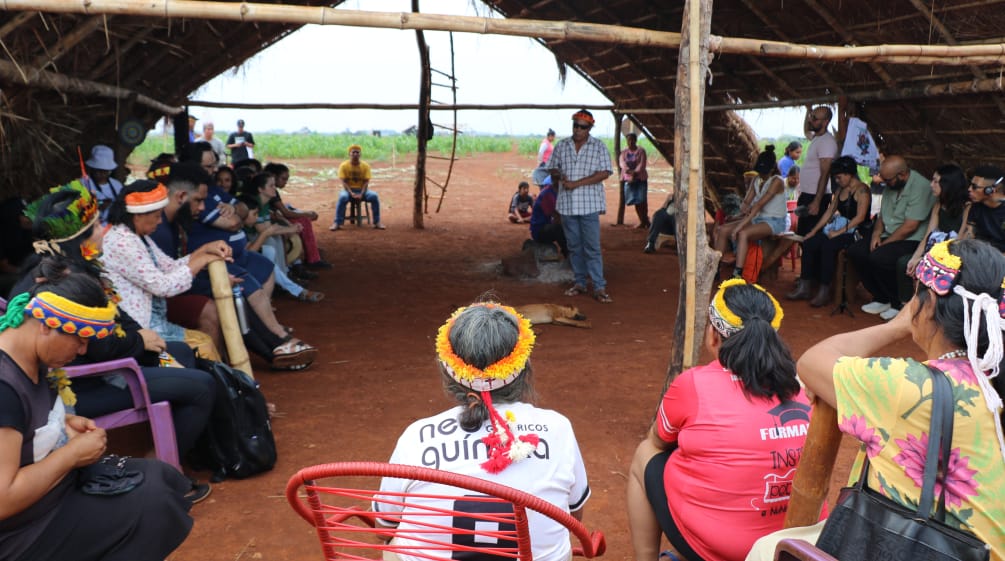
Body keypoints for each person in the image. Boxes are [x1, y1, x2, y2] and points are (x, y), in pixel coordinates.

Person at [754, 239, 1005, 559]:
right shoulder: (991, 380)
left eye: (916, 294)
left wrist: (897, 326)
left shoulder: (909, 388)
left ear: (928, 306)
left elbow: (811, 363)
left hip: (910, 545)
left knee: (766, 549)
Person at [15, 181, 216, 502]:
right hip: (85, 385)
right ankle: (164, 471)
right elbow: (96, 348)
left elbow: (114, 321)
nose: (102, 231)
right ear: (79, 240)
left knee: (179, 351)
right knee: (202, 386)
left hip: (97, 369)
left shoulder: (60, 268)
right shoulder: (69, 282)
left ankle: (176, 447)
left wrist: (142, 337)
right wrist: (139, 341)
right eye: (95, 226)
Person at [0, 266, 193, 561]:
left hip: (52, 495)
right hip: (24, 532)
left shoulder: (32, 355)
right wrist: (71, 455)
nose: (82, 350)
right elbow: (3, 498)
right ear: (45, 325)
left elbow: (22, 425)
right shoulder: (4, 387)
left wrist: (62, 423)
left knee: (164, 478)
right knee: (155, 508)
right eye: (80, 339)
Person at [379, 301, 590, 561]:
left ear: (448, 373)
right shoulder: (559, 429)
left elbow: (384, 526)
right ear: (525, 369)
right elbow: (573, 515)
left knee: (395, 543)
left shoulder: (415, 436)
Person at [626, 279, 812, 561]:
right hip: (793, 546)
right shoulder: (801, 385)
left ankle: (647, 558)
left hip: (727, 549)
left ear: (713, 336)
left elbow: (658, 440)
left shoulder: (693, 384)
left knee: (645, 453)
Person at [100, 180, 230, 361]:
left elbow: (168, 267)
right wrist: (202, 259)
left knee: (204, 342)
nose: (160, 221)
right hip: (141, 330)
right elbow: (162, 286)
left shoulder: (138, 237)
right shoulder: (122, 241)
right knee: (204, 346)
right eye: (157, 215)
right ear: (138, 215)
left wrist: (204, 250)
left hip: (156, 322)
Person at [847, 155, 935, 321]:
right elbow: (882, 216)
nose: (883, 183)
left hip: (913, 238)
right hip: (889, 233)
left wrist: (884, 244)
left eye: (887, 180)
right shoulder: (892, 184)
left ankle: (896, 302)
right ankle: (881, 297)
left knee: (879, 257)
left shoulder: (921, 187)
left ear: (902, 175)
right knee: (856, 251)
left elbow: (910, 226)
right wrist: (875, 235)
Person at [546, 109, 614, 303]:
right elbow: (552, 167)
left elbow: (604, 173)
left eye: (582, 127)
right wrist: (559, 175)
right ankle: (580, 283)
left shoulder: (598, 147)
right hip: (567, 206)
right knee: (574, 246)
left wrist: (576, 183)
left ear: (590, 128)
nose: (578, 129)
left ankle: (599, 287)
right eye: (575, 125)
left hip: (589, 205)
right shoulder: (562, 146)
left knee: (592, 247)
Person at [787, 156, 872, 307]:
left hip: (856, 233)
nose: (837, 181)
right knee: (810, 243)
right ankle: (805, 286)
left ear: (849, 173)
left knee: (828, 246)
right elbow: (828, 213)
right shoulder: (840, 191)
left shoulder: (862, 190)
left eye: (839, 177)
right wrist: (813, 231)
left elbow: (860, 218)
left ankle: (824, 291)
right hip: (840, 229)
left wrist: (838, 233)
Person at [714, 146, 787, 280]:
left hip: (774, 221)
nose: (762, 174)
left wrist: (739, 226)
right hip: (757, 218)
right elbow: (747, 203)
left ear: (772, 169)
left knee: (743, 233)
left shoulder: (777, 181)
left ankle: (738, 273)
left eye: (764, 172)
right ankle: (715, 269)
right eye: (760, 171)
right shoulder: (756, 180)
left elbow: (758, 205)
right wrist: (738, 215)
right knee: (723, 229)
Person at [905, 164, 970, 276]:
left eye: (936, 181)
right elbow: (928, 235)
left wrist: (925, 260)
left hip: (953, 254)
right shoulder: (939, 204)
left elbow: (959, 242)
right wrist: (915, 257)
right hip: (937, 248)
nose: (931, 185)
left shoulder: (967, 207)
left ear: (947, 184)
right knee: (905, 264)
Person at [263, 162, 331, 269]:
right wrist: (306, 214)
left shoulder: (271, 189)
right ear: (274, 177)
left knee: (302, 219)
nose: (286, 182)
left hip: (275, 217)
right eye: (283, 179)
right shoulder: (272, 191)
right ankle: (312, 259)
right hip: (273, 220)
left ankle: (312, 256)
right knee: (304, 221)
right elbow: (286, 213)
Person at [795, 106, 837, 237]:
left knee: (811, 236)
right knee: (802, 234)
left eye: (814, 118)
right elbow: (806, 130)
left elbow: (825, 173)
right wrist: (809, 110)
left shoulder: (827, 142)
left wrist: (817, 201)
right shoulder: (816, 138)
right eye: (811, 117)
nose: (810, 120)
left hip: (816, 196)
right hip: (808, 194)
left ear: (825, 122)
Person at [330, 145, 385, 231]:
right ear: (349, 154)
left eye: (357, 152)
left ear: (360, 154)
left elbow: (366, 182)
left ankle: (377, 222)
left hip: (362, 190)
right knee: (343, 197)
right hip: (348, 190)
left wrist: (361, 194)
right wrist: (351, 193)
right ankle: (337, 223)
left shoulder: (365, 166)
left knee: (374, 196)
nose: (355, 154)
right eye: (353, 152)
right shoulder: (344, 166)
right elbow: (344, 182)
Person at [962, 164, 1005, 252]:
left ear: (990, 190)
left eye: (974, 187)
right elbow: (969, 234)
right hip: (984, 254)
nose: (969, 189)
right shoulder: (976, 206)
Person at [81, 144, 124, 223]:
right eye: (98, 170)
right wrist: (97, 207)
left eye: (105, 171)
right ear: (92, 168)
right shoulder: (83, 184)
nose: (101, 173)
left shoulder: (117, 185)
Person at [529, 176, 568, 257]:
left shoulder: (558, 192)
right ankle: (567, 253)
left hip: (548, 224)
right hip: (539, 231)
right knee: (559, 228)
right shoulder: (547, 195)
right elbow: (557, 218)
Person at [620, 132, 650, 229]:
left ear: (636, 140)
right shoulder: (624, 152)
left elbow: (642, 164)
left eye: (632, 139)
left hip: (640, 179)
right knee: (635, 201)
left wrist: (634, 173)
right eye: (629, 140)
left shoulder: (641, 151)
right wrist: (629, 172)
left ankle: (645, 221)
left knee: (642, 200)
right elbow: (622, 163)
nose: (631, 142)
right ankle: (643, 221)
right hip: (629, 180)